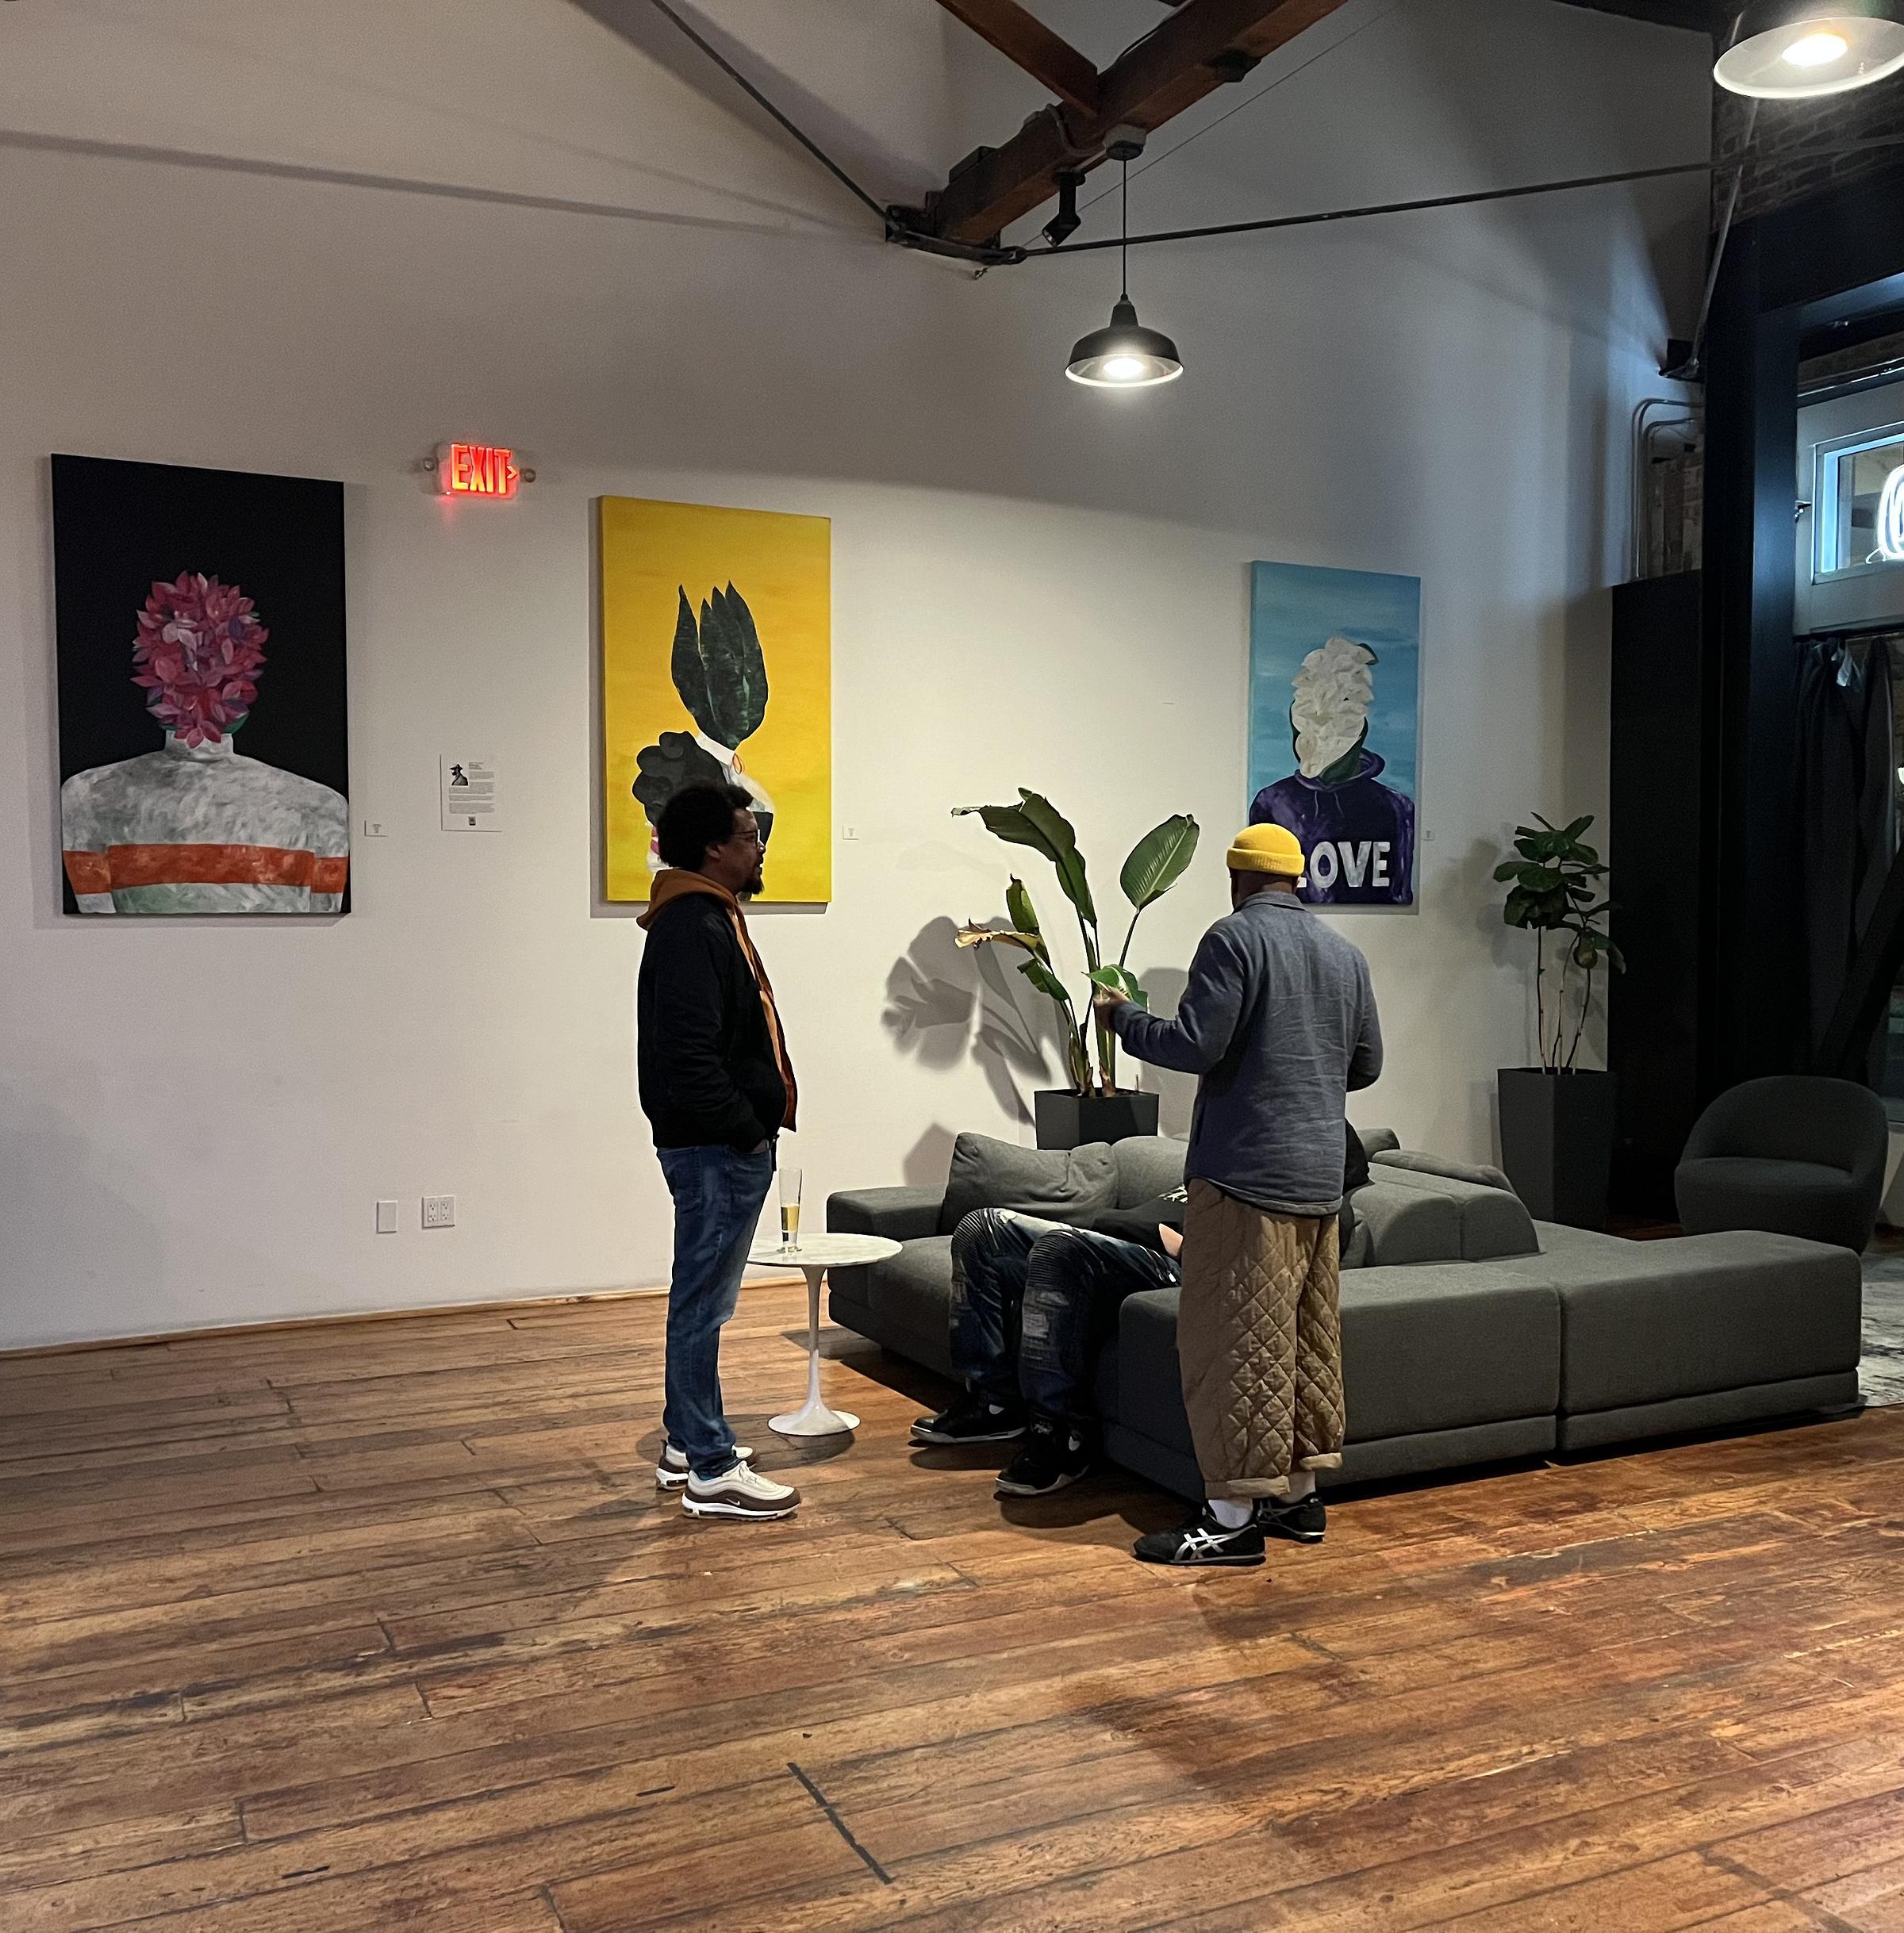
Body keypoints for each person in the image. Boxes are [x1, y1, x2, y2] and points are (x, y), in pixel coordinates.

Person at [1094, 823, 1382, 1567]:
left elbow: (1195, 1044)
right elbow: (1366, 1065)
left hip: (1245, 1178)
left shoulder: (1233, 939)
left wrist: (1124, 1019)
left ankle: (1230, 1519)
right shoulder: (1345, 956)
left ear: (1237, 879)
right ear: (1297, 879)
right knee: (1305, 1341)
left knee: (1230, 1344)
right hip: (1319, 1184)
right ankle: (1297, 1499)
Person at [637, 783, 801, 1523]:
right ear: (713, 847)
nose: (758, 845)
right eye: (748, 834)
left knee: (703, 1297)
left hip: (717, 1144)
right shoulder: (693, 925)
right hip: (715, 1148)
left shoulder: (701, 916)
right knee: (702, 1304)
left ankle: (684, 1442)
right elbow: (689, 1056)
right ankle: (710, 1467)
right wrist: (744, 1128)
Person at [909, 1190, 1186, 1497]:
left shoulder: (1228, 1180)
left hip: (1164, 1264)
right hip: (1107, 1240)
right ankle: (995, 1402)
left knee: (1058, 1249)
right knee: (980, 1228)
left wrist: (1173, 1241)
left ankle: (1061, 1433)